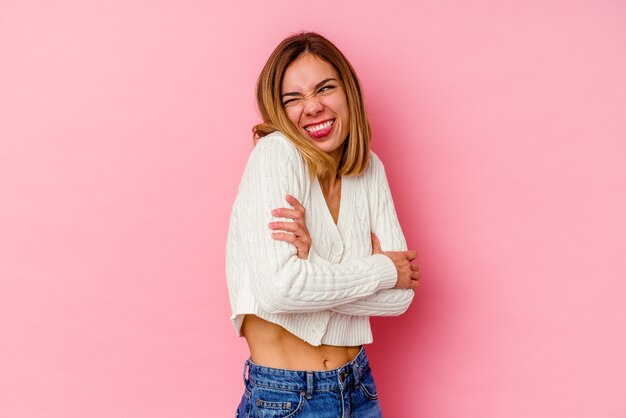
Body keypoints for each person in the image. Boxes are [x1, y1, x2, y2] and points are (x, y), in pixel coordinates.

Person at [226, 32, 420, 417]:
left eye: (324, 88)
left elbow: (400, 297)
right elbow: (279, 290)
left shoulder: (369, 169)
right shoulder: (276, 155)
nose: (312, 106)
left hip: (359, 386)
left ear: (347, 91)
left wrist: (310, 267)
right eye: (292, 98)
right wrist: (383, 268)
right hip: (287, 397)